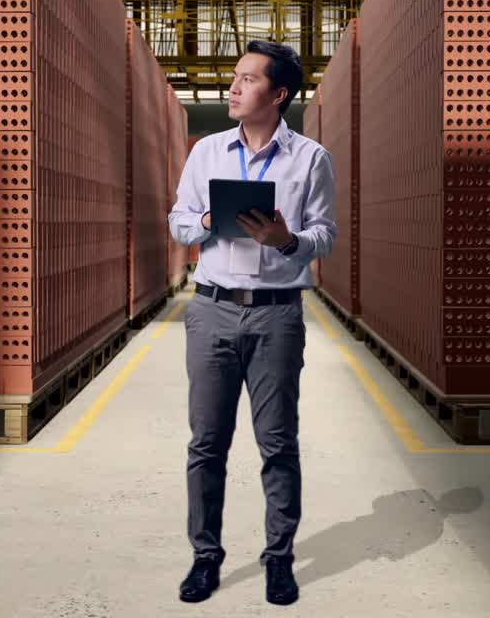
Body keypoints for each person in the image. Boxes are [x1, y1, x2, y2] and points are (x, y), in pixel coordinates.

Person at [167, 40, 338, 606]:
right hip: (212, 308)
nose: (235, 87)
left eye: (247, 79)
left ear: (279, 94)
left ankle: (279, 559)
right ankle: (205, 558)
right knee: (206, 443)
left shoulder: (310, 158)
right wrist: (211, 220)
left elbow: (326, 235)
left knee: (277, 442)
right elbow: (179, 221)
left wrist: (285, 239)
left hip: (276, 315)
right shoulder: (207, 153)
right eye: (235, 78)